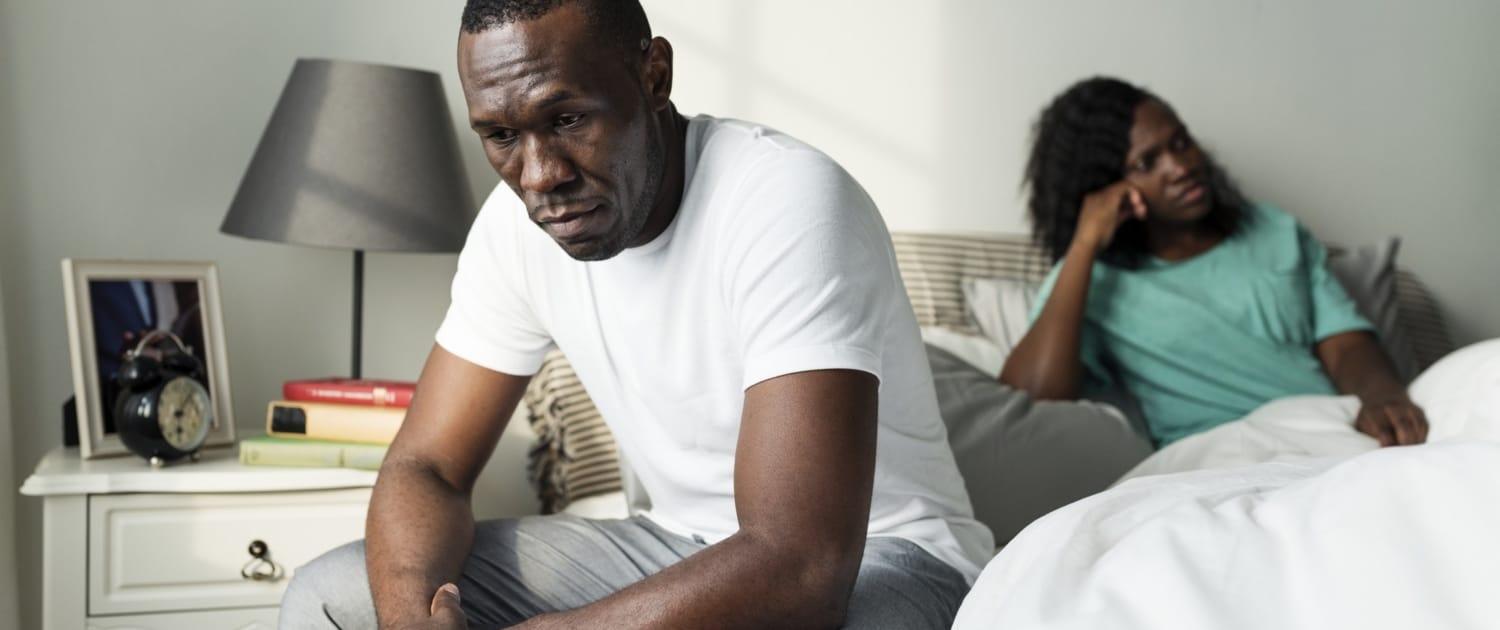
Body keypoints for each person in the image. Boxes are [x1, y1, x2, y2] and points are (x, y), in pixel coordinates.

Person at [279, 1, 991, 628]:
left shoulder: (786, 200)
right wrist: (410, 620)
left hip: (884, 558)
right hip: (673, 545)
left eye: (567, 118)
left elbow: (801, 565)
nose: (539, 175)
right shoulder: (514, 230)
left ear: (654, 76)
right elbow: (428, 465)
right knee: (334, 596)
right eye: (500, 135)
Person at [1000, 76, 1428, 449]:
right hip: (1221, 457)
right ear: (1107, 189)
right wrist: (1085, 241)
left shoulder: (1273, 228)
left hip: (1329, 431)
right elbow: (1030, 398)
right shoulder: (1092, 281)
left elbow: (1346, 345)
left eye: (1181, 142)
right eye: (1147, 163)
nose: (1182, 166)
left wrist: (1383, 397)